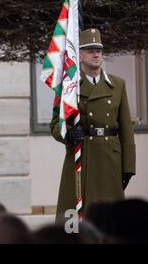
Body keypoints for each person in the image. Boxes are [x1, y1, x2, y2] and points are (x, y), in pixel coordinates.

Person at [51, 28, 136, 222]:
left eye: (99, 50)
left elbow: (126, 130)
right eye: (90, 50)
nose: (96, 54)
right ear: (79, 54)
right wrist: (68, 134)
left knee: (110, 218)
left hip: (110, 159)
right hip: (82, 155)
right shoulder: (69, 86)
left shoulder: (117, 84)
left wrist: (128, 166)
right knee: (73, 219)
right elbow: (55, 124)